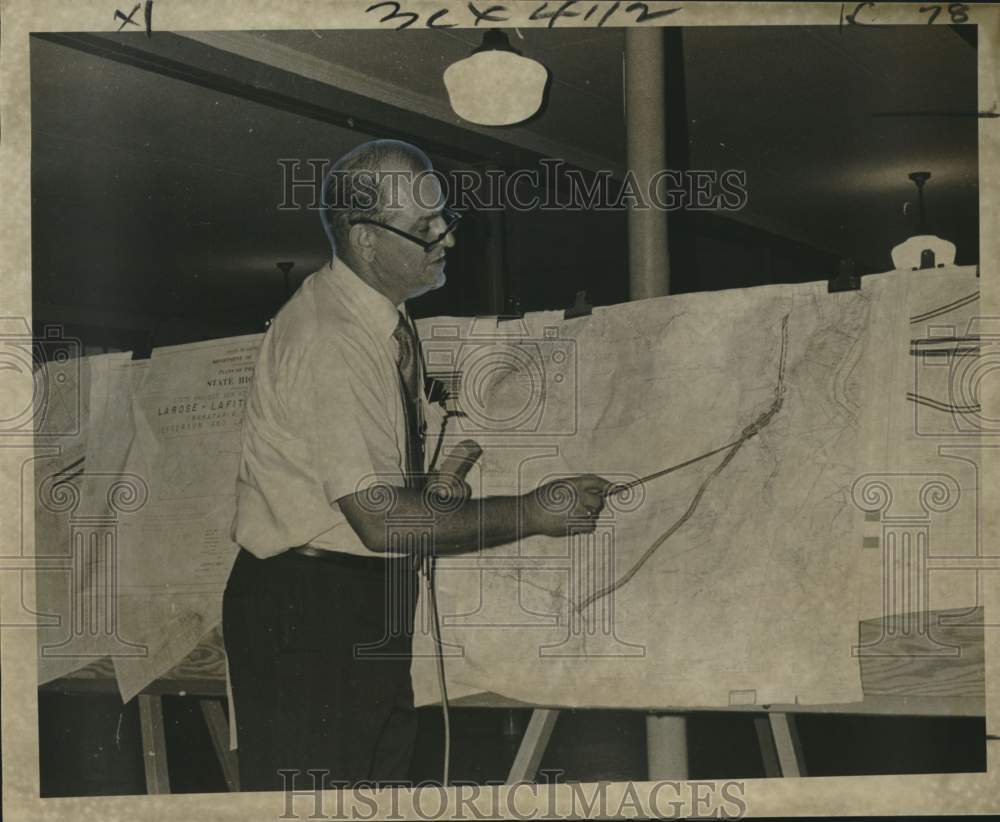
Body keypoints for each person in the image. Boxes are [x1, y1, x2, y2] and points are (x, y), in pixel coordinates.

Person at [223, 139, 609, 792]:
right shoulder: (332, 338)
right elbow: (377, 524)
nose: (448, 239)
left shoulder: (382, 323)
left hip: (354, 601)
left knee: (371, 792)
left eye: (444, 220)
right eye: (427, 227)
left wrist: (426, 492)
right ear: (366, 240)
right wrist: (533, 513)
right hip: (312, 611)